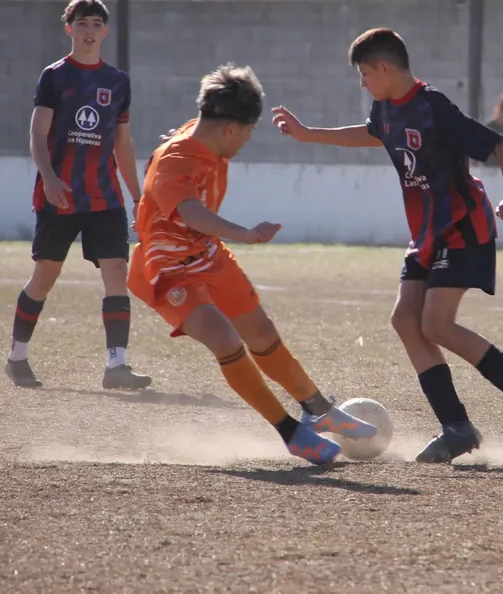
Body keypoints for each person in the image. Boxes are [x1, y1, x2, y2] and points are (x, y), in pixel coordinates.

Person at [271, 28, 503, 464]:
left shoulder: (434, 107)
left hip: (463, 226)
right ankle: (457, 427)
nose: (363, 82)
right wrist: (308, 133)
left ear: (386, 68)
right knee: (406, 320)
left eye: (365, 73)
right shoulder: (385, 106)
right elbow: (374, 134)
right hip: (428, 232)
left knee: (436, 324)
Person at [126, 64, 378, 466]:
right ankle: (291, 433)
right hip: (166, 268)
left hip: (208, 256)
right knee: (226, 341)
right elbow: (191, 213)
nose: (247, 140)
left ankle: (319, 410)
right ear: (229, 129)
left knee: (261, 333)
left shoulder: (205, 132)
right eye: (248, 131)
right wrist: (245, 233)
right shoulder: (176, 161)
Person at [4, 0, 150, 392]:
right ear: (69, 29)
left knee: (117, 271)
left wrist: (138, 195)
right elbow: (38, 132)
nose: (89, 30)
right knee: (45, 276)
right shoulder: (54, 76)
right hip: (61, 195)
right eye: (82, 23)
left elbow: (123, 143)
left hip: (104, 197)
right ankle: (17, 357)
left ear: (105, 31)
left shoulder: (118, 82)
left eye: (96, 24)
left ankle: (116, 366)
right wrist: (48, 177)